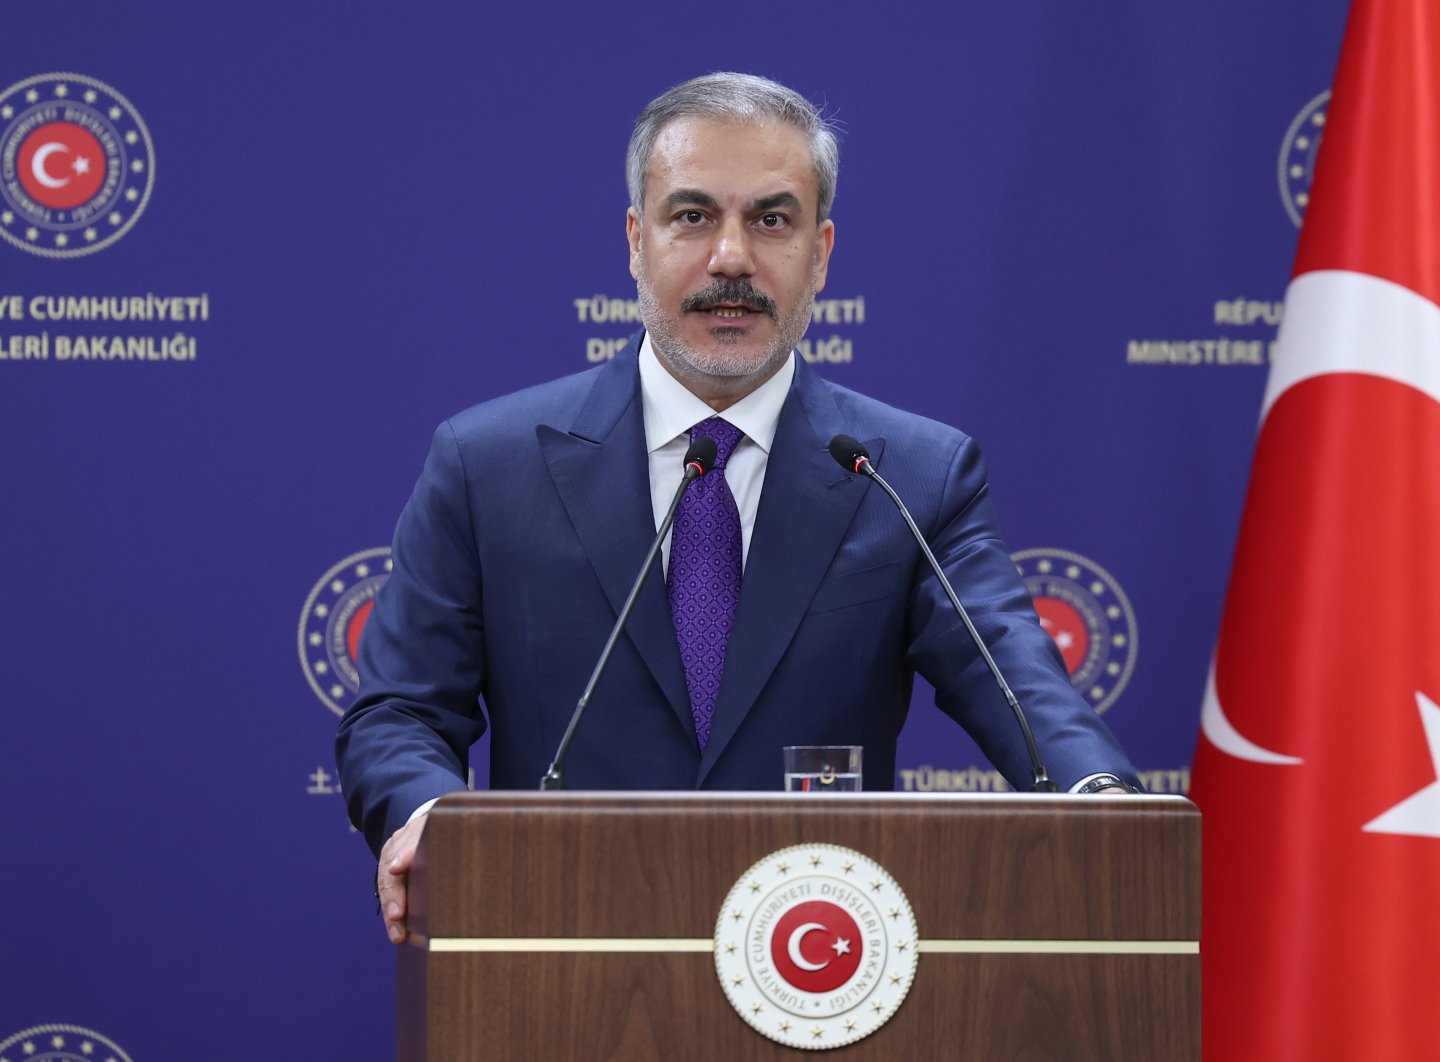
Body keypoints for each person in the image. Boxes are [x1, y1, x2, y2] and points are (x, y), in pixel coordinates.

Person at [336, 72, 1140, 946]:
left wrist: (1102, 802)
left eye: (771, 219)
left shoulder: (912, 474)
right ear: (636, 243)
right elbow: (402, 714)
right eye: (692, 217)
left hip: (822, 966)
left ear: (822, 252)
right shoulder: (487, 465)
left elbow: (1017, 680)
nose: (731, 259)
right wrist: (424, 817)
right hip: (559, 951)